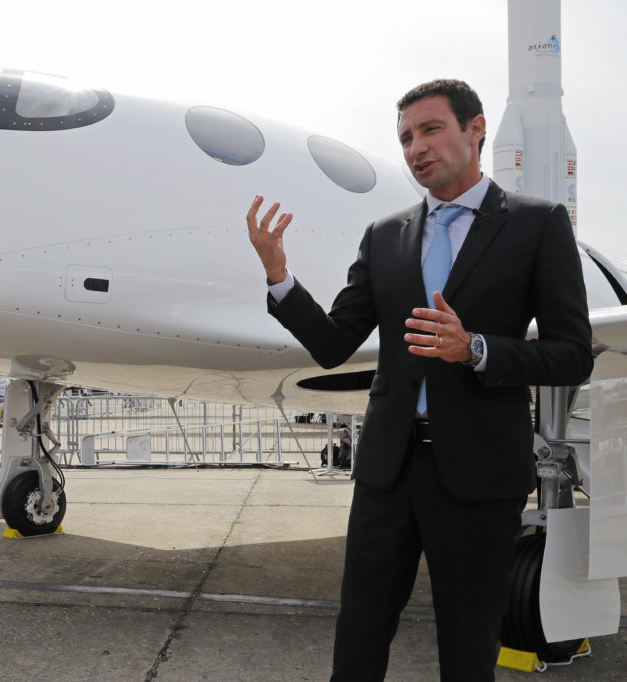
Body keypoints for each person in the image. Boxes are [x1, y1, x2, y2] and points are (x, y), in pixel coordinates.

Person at [246, 79, 593, 681]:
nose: (415, 148)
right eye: (406, 137)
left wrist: (477, 349)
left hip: (480, 475)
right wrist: (280, 276)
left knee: (466, 646)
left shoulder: (537, 225)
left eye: (430, 130)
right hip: (387, 470)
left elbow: (572, 355)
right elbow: (333, 345)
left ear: (475, 129)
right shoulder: (385, 236)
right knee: (357, 636)